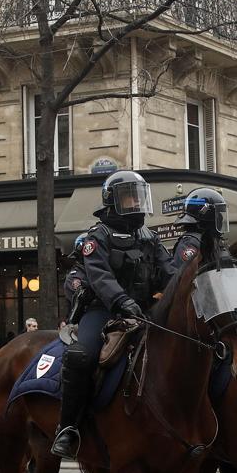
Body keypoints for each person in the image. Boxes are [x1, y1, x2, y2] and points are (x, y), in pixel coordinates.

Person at [50, 169, 175, 458]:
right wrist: (121, 301)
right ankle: (67, 428)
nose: (137, 202)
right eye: (130, 196)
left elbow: (169, 271)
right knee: (81, 356)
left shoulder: (149, 237)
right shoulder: (98, 236)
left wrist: (185, 285)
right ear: (112, 200)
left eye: (139, 196)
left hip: (143, 311)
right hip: (103, 311)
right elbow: (99, 277)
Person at [171, 188, 226, 269]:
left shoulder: (215, 241)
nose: (220, 219)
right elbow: (184, 278)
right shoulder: (190, 243)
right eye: (218, 215)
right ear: (206, 214)